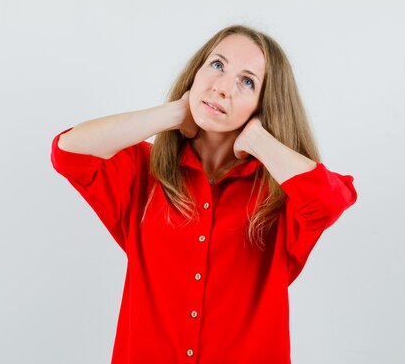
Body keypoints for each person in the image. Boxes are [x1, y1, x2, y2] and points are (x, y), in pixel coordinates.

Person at [50, 24, 358, 363]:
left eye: (247, 81)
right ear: (196, 72)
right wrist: (175, 112)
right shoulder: (144, 172)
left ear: (264, 105)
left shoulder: (281, 194)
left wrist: (258, 140)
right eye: (217, 65)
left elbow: (329, 201)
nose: (222, 87)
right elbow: (69, 152)